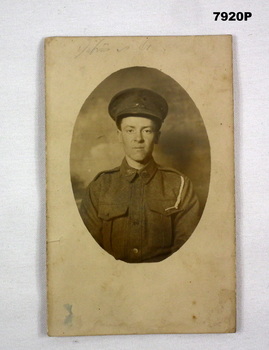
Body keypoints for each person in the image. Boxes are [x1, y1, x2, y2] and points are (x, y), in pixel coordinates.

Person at [80, 88, 200, 263]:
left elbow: (187, 252)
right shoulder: (100, 186)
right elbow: (87, 250)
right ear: (119, 136)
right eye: (130, 130)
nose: (138, 138)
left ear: (157, 136)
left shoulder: (179, 185)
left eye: (147, 131)